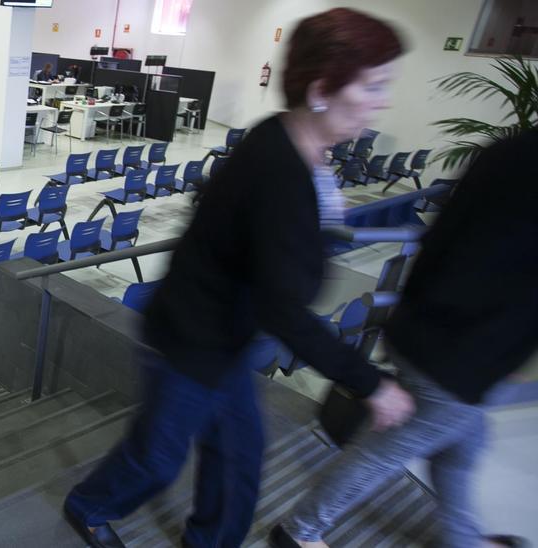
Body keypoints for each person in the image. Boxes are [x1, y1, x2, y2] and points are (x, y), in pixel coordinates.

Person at [62, 8, 415, 548]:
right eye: (372, 86)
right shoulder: (277, 167)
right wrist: (368, 383)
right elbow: (282, 303)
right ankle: (87, 506)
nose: (381, 101)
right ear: (322, 89)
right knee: (158, 458)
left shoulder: (296, 146)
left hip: (230, 335)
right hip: (191, 338)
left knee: (238, 460)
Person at [269, 134, 538, 547]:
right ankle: (298, 530)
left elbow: (439, 233)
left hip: (430, 327)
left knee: (461, 450)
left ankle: (464, 540)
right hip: (467, 355)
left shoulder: (508, 151)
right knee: (384, 453)